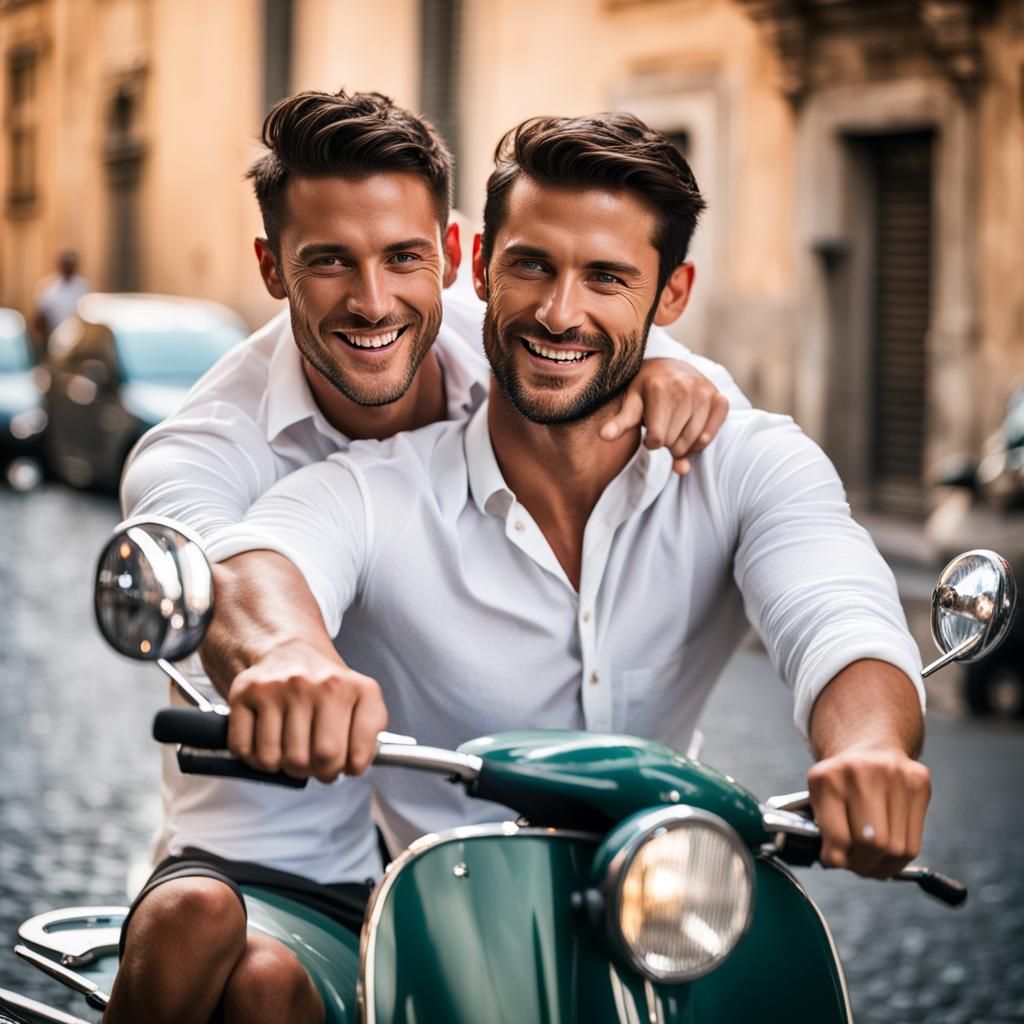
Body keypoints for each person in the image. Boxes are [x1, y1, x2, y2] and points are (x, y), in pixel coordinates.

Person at [107, 91, 740, 1024]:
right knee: (228, 953)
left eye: (403, 257)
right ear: (272, 268)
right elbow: (214, 568)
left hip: (467, 851)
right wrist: (287, 659)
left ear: (451, 255)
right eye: (329, 261)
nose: (373, 300)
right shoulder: (200, 445)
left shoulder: (515, 338)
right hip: (274, 847)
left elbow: (629, 338)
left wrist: (673, 376)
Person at [205, 111, 930, 903]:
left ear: (672, 294)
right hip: (445, 923)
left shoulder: (748, 462)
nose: (558, 312)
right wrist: (290, 655)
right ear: (480, 269)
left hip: (671, 909)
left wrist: (870, 748)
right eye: (532, 266)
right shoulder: (375, 488)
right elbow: (257, 563)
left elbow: (838, 612)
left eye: (606, 278)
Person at [31, 250, 88, 357]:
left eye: (70, 265)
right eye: (66, 264)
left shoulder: (84, 286)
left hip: (79, 346)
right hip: (53, 344)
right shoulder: (48, 287)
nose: (68, 268)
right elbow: (39, 318)